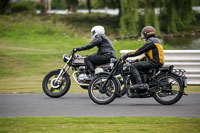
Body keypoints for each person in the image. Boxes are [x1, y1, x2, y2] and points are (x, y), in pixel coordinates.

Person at [122, 26, 164, 91]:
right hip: (157, 62)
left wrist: (128, 54)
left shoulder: (151, 41)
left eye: (143, 34)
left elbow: (140, 50)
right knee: (136, 65)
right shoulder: (155, 40)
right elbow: (148, 56)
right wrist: (137, 60)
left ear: (146, 34)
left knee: (132, 66)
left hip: (154, 62)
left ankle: (139, 84)